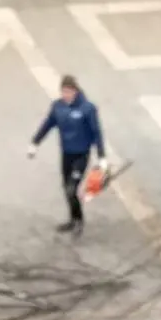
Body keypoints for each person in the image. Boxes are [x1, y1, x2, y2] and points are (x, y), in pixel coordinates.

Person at [28, 76, 107, 235]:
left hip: (81, 155)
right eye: (63, 92)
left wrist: (101, 156)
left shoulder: (87, 109)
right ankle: (72, 219)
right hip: (66, 155)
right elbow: (47, 125)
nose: (66, 95)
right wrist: (35, 143)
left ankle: (79, 221)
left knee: (71, 189)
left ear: (75, 91)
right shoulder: (58, 107)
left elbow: (96, 133)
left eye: (69, 92)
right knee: (66, 188)